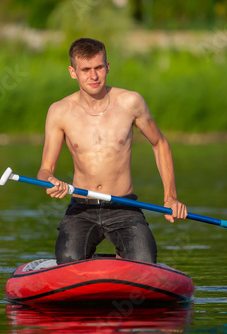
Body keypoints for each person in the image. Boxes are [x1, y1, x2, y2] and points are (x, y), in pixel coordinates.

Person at [37, 37, 187, 265]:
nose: (93, 76)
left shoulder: (130, 102)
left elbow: (160, 144)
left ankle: (123, 258)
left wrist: (171, 198)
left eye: (98, 68)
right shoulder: (59, 111)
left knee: (144, 261)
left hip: (124, 206)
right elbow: (45, 170)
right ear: (73, 72)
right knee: (67, 260)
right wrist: (51, 182)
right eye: (85, 70)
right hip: (81, 208)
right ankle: (104, 263)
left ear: (107, 66)